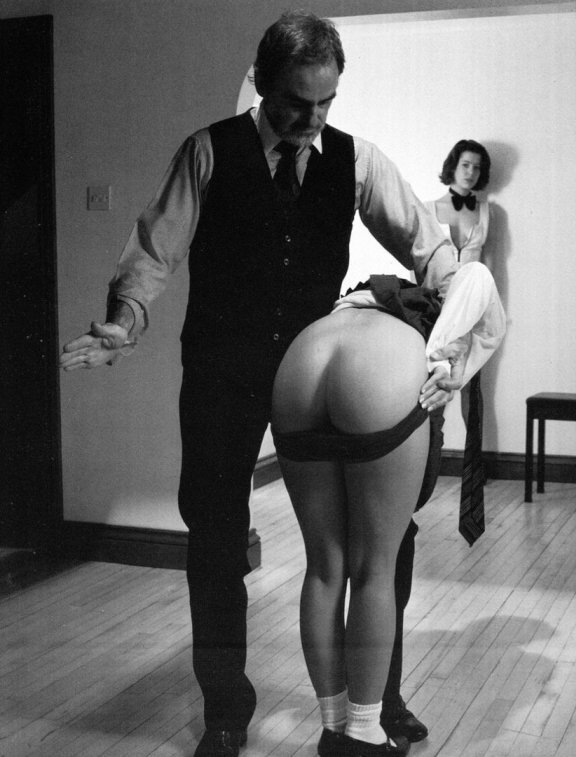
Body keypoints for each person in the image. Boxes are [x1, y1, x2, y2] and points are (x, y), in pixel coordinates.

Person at [59, 11, 454, 757]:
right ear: (262, 83)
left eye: (326, 102)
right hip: (223, 371)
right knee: (214, 539)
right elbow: (154, 249)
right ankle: (224, 711)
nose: (312, 119)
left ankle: (380, 699)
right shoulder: (208, 151)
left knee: (383, 534)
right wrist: (123, 322)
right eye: (297, 103)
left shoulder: (357, 160)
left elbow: (427, 247)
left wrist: (455, 304)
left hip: (314, 377)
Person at [271, 262, 505, 757]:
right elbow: (480, 280)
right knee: (373, 569)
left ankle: (333, 728)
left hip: (304, 354)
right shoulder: (444, 305)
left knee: (323, 568)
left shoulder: (365, 299)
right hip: (381, 368)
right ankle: (362, 733)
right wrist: (448, 364)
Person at [420, 139, 493, 426]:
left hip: (472, 307)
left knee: (470, 386)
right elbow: (420, 262)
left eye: (477, 167)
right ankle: (429, 453)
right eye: (466, 165)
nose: (471, 172)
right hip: (437, 305)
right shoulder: (428, 209)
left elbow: (488, 266)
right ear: (453, 165)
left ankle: (474, 457)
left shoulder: (486, 211)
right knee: (433, 381)